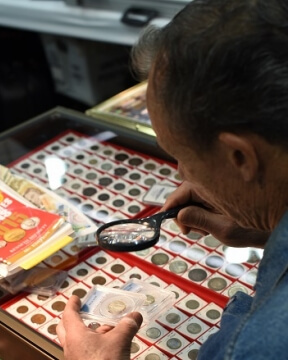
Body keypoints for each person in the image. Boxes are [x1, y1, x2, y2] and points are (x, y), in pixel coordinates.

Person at [57, 0, 288, 358]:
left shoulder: (258, 345)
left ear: (240, 157)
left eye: (182, 155)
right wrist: (270, 222)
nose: (181, 173)